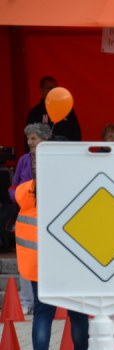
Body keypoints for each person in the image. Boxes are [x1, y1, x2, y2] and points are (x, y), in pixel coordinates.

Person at [15, 145, 90, 350]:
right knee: (77, 313)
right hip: (70, 263)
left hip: (39, 265)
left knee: (42, 314)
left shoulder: (26, 192)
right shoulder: (75, 191)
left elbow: (16, 193)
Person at [11, 123, 51, 315]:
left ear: (45, 139)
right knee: (27, 262)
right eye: (28, 138)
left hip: (49, 216)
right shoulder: (23, 160)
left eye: (34, 138)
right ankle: (27, 301)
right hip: (28, 219)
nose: (30, 142)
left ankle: (48, 300)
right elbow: (14, 186)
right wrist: (19, 196)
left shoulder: (53, 159)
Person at [26, 76, 81, 144]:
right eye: (50, 88)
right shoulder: (35, 113)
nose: (53, 91)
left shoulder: (66, 110)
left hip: (64, 149)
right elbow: (29, 137)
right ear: (41, 91)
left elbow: (76, 134)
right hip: (44, 150)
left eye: (55, 89)